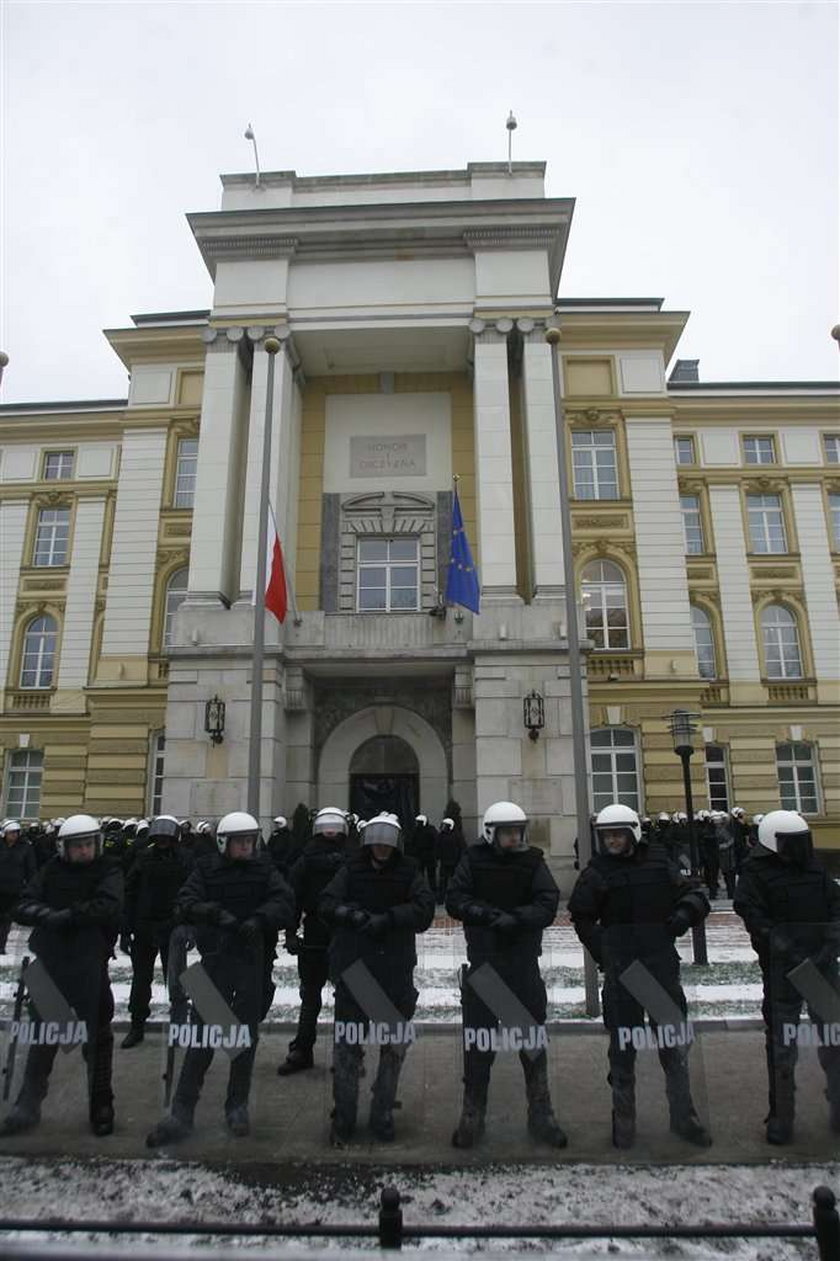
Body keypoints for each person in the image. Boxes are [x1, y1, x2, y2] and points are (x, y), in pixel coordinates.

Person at [568, 803, 712, 1150]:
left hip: (660, 966)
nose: (612, 841)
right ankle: (624, 1120)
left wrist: (683, 915)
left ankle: (684, 1117)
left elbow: (695, 892)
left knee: (673, 1046)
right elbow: (581, 915)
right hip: (623, 972)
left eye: (617, 834)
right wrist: (604, 950)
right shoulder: (597, 871)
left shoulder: (660, 861)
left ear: (632, 833)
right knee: (622, 1048)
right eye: (607, 836)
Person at [145, 811, 293, 1145]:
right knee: (200, 1040)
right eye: (240, 842)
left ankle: (237, 1105)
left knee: (243, 1039)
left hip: (251, 963)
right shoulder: (206, 869)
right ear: (225, 843)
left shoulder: (265, 869)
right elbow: (185, 901)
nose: (246, 847)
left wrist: (259, 919)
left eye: (250, 841)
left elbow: (284, 901)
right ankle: (182, 1109)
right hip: (215, 962)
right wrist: (213, 914)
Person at [446, 801, 567, 1149]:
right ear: (491, 833)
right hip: (484, 964)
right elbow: (455, 898)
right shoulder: (473, 859)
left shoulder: (532, 861)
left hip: (521, 964)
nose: (514, 838)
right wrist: (484, 915)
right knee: (478, 1046)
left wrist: (518, 918)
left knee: (531, 1044)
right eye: (507, 832)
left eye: (517, 831)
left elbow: (548, 900)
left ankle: (541, 1113)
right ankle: (472, 1114)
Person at [0, 814, 123, 1138]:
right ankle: (28, 1102)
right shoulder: (51, 870)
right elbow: (23, 904)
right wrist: (48, 916)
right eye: (77, 846)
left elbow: (109, 905)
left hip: (88, 963)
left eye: (88, 845)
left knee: (97, 1037)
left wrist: (69, 916)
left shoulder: (107, 869)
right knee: (43, 1035)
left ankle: (101, 1103)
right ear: (64, 848)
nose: (84, 851)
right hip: (50, 963)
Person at [319, 812, 435, 1145]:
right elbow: (327, 902)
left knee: (393, 1047)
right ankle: (344, 1113)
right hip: (355, 968)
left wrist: (390, 918)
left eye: (388, 839)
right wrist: (352, 915)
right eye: (377, 838)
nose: (382, 846)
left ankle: (382, 1109)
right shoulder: (351, 869)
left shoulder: (409, 871)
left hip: (394, 970)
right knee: (346, 1047)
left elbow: (424, 909)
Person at [734, 809, 840, 1144]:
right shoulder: (755, 872)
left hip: (821, 967)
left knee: (835, 1039)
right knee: (782, 1045)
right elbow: (751, 912)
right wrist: (780, 944)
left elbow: (837, 906)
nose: (797, 848)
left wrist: (831, 944)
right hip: (783, 968)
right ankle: (782, 1114)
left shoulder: (815, 869)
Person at [277, 806, 349, 1076]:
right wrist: (291, 931)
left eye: (335, 827)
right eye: (326, 827)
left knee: (346, 998)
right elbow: (292, 897)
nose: (331, 832)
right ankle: (302, 1048)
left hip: (344, 932)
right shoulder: (306, 859)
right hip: (316, 931)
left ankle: (346, 1051)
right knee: (310, 996)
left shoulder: (352, 857)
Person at [121, 814, 193, 1047]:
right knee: (141, 980)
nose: (162, 841)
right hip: (144, 928)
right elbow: (129, 893)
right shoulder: (143, 858)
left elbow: (191, 894)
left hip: (171, 928)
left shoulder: (184, 859)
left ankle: (180, 1026)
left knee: (177, 980)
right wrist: (125, 930)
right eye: (159, 837)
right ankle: (137, 1024)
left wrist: (187, 925)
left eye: (166, 837)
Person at [0, 819, 36, 953]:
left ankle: (1, 946)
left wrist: (30, 886)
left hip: (13, 889)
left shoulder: (25, 847)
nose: (14, 835)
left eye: (16, 833)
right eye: (11, 833)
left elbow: (30, 869)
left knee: (6, 920)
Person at [435, 816, 464, 904]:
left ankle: (454, 898)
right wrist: (437, 856)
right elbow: (437, 847)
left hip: (454, 862)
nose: (443, 827)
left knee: (455, 882)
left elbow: (461, 848)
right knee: (442, 881)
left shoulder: (457, 836)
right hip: (445, 862)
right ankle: (441, 898)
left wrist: (459, 860)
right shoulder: (441, 835)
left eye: (445, 826)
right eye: (443, 825)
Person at [408, 814, 438, 894]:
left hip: (429, 856)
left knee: (431, 875)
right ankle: (421, 890)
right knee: (420, 875)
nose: (418, 824)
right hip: (420, 855)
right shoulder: (416, 830)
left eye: (419, 822)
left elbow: (435, 842)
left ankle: (433, 891)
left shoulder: (431, 830)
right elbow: (412, 842)